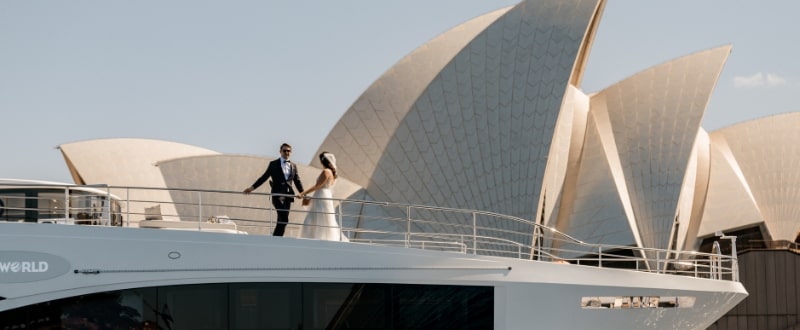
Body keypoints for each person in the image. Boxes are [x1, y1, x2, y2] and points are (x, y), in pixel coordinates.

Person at [243, 143, 304, 236]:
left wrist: (303, 193)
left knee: (281, 220)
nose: (286, 152)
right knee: (284, 219)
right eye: (284, 150)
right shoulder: (273, 164)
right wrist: (252, 188)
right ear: (280, 152)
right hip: (277, 195)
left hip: (288, 195)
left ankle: (276, 239)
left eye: (288, 151)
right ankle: (276, 239)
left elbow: (297, 180)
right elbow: (264, 177)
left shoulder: (293, 166)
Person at [298, 152, 348, 241]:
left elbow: (318, 185)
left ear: (322, 161)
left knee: (316, 216)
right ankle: (323, 236)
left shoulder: (326, 171)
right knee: (323, 217)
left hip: (321, 195)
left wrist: (303, 193)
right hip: (326, 195)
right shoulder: (332, 173)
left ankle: (313, 236)